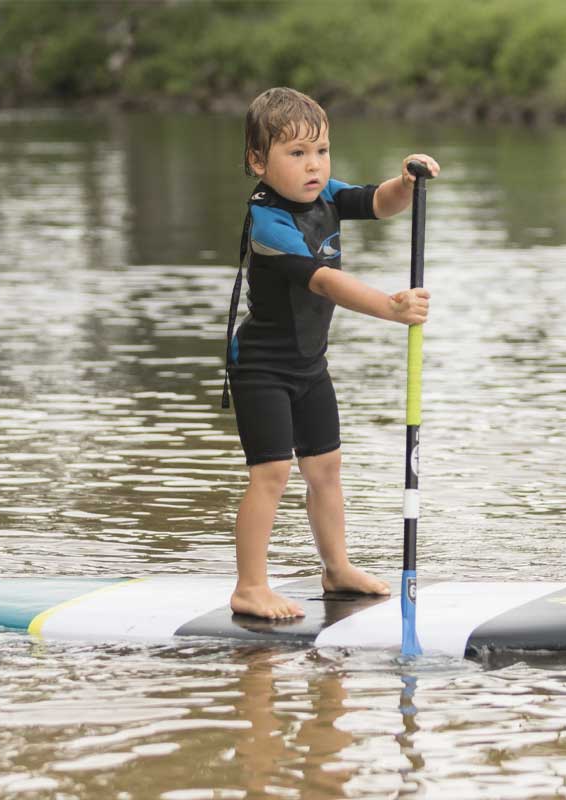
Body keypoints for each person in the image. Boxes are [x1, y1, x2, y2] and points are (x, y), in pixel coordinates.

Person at [222, 87, 440, 620]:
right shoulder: (269, 223)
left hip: (309, 366)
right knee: (271, 473)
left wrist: (406, 183)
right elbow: (324, 281)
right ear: (257, 161)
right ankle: (250, 586)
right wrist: (391, 307)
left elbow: (378, 202)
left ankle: (336, 568)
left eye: (320, 151)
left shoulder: (323, 197)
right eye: (296, 154)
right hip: (261, 369)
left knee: (326, 468)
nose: (313, 165)